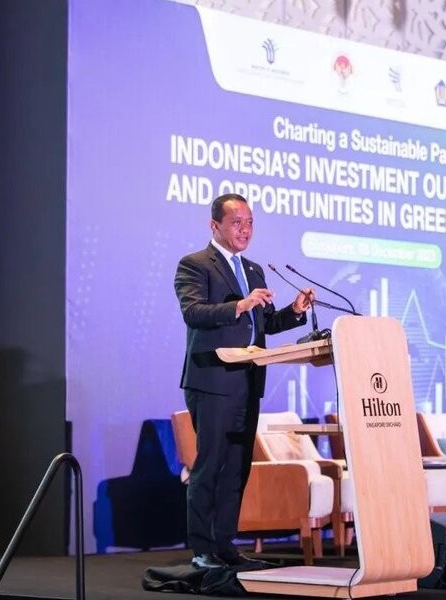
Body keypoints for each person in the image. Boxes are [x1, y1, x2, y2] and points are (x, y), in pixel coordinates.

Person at [174, 193, 314, 569]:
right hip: (213, 380)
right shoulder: (195, 264)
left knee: (237, 467)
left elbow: (263, 324)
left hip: (248, 382)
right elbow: (194, 312)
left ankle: (225, 545)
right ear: (214, 225)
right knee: (211, 465)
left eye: (250, 222)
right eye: (237, 222)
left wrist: (294, 311)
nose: (245, 229)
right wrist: (240, 304)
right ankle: (202, 550)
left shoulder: (253, 270)